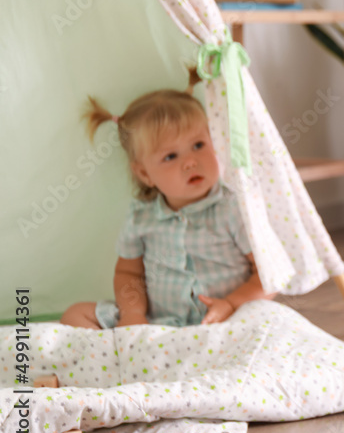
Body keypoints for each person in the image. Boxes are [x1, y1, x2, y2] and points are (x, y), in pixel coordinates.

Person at [60, 71, 275, 329]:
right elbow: (129, 273)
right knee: (76, 315)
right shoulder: (141, 216)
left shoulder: (232, 208)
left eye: (198, 145)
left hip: (224, 321)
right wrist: (133, 315)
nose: (190, 162)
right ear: (144, 174)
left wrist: (230, 304)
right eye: (170, 157)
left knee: (266, 321)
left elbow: (268, 274)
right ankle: (115, 362)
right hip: (159, 325)